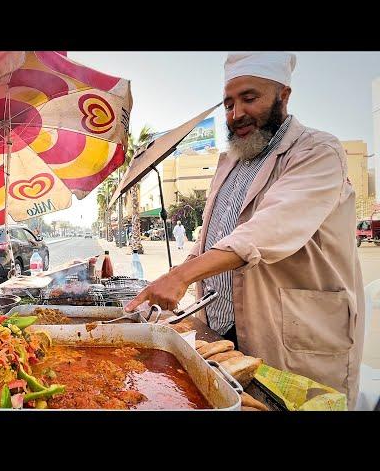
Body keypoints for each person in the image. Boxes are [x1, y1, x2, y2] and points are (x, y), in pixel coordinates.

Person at [127, 52, 365, 408]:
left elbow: (267, 230)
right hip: (221, 333)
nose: (236, 114)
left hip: (291, 333)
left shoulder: (317, 151)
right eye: (228, 103)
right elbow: (211, 239)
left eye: (249, 98)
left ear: (283, 95)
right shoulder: (229, 164)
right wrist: (171, 283)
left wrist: (182, 275)